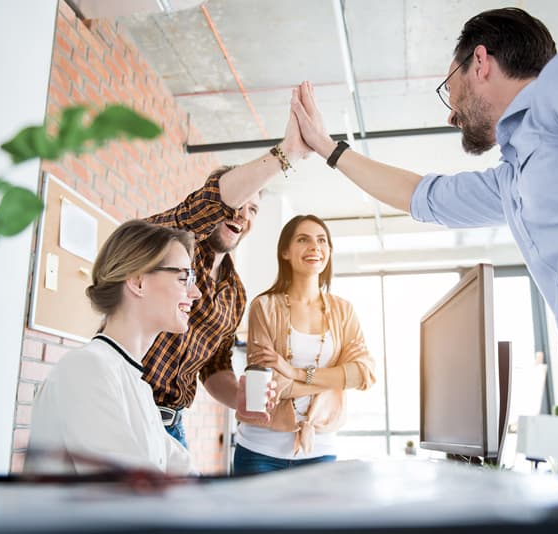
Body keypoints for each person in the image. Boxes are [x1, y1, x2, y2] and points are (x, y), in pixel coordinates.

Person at [290, 7, 558, 500]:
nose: (449, 111)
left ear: (480, 62)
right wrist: (327, 148)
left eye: (448, 87)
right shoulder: (515, 179)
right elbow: (421, 196)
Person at [142, 98, 309, 447]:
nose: (241, 214)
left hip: (171, 425)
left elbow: (214, 366)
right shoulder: (172, 243)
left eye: (252, 209)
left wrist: (241, 400)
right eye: (236, 202)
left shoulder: (235, 293)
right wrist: (285, 154)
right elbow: (200, 209)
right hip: (126, 408)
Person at [25, 220, 201, 474]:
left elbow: (186, 473)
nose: (195, 292)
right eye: (183, 277)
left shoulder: (137, 385)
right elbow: (129, 496)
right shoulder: (88, 369)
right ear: (138, 282)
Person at [233, 215, 376, 474]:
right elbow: (269, 386)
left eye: (322, 240)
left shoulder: (343, 311)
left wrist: (295, 372)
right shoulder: (264, 307)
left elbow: (364, 374)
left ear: (329, 251)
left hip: (319, 451)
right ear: (285, 252)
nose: (315, 247)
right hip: (260, 451)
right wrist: (336, 379)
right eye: (303, 239)